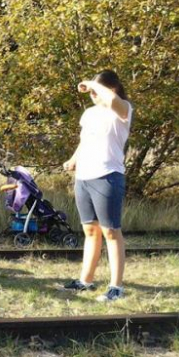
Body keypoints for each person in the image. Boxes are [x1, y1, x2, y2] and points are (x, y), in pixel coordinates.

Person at [62, 71, 132, 302]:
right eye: (90, 91)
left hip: (108, 176)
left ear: (111, 88)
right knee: (90, 230)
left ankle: (116, 287)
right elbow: (86, 140)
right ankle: (86, 281)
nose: (92, 94)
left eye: (95, 90)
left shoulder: (122, 110)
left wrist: (93, 84)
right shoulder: (89, 114)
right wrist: (73, 159)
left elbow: (112, 100)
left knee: (111, 232)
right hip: (85, 177)